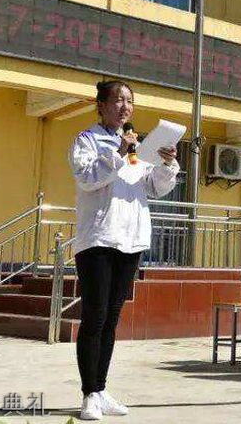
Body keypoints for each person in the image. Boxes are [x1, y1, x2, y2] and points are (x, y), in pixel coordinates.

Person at [70, 80, 179, 420]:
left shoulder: (133, 147)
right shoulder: (86, 140)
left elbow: (152, 187)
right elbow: (87, 178)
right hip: (98, 240)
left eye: (129, 101)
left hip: (130, 241)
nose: (125, 107)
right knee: (95, 318)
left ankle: (101, 389)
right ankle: (89, 393)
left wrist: (166, 165)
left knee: (111, 320)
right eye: (117, 100)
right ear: (100, 105)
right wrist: (116, 153)